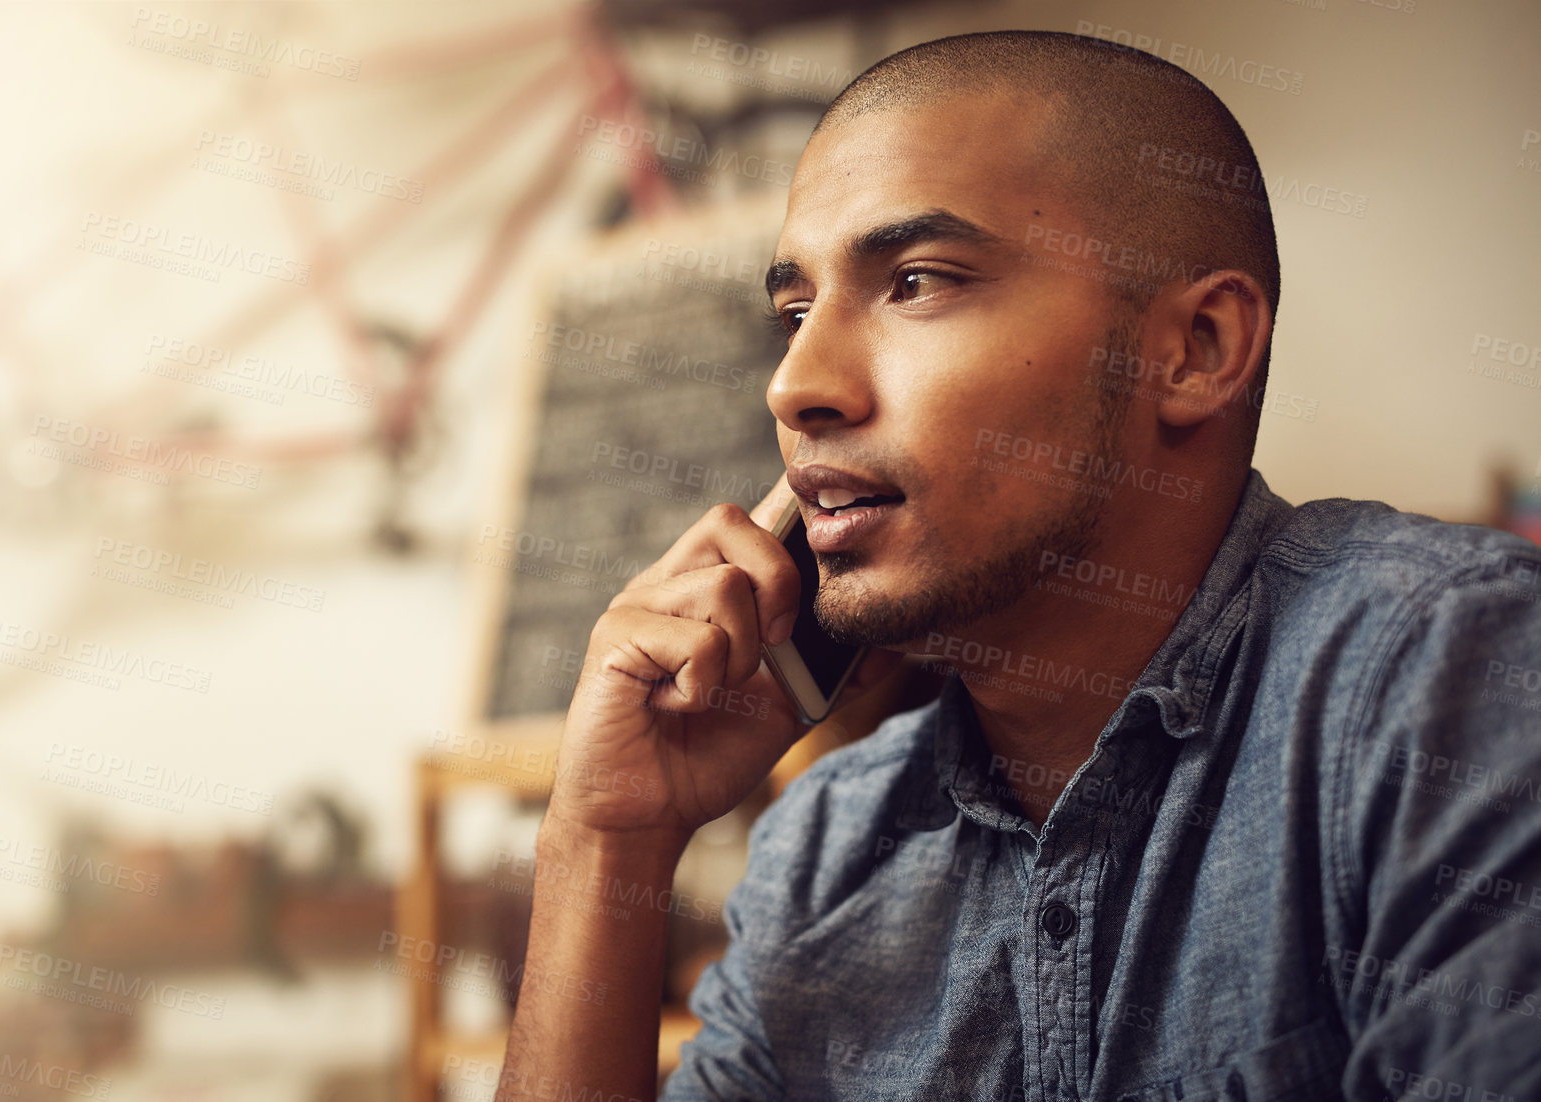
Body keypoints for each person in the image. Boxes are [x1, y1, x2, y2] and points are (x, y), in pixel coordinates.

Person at [497, 29, 1541, 1101]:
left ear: (1198, 349)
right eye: (795, 314)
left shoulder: (1446, 679)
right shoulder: (830, 852)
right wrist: (607, 843)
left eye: (915, 282)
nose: (796, 385)